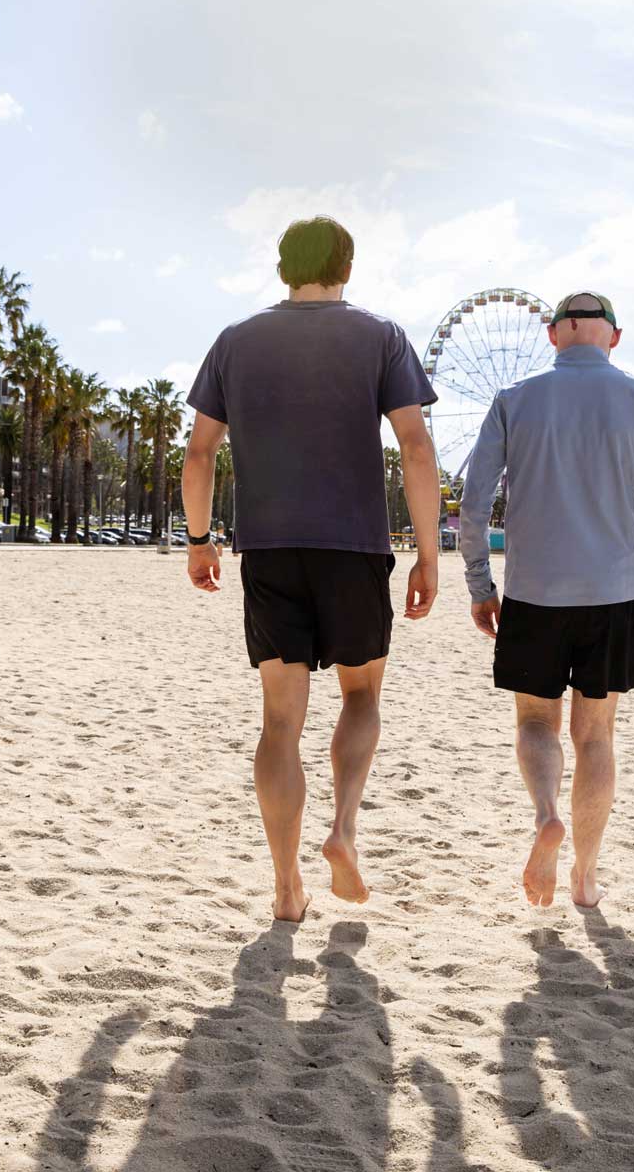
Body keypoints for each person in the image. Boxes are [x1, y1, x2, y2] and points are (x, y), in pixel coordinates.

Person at [182, 215, 441, 922]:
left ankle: (285, 886)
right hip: (354, 548)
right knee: (361, 696)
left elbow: (200, 453)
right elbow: (416, 447)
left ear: (282, 268)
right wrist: (427, 554)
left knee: (279, 724)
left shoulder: (235, 341)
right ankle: (344, 829)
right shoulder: (382, 336)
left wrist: (200, 540)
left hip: (269, 549)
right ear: (346, 268)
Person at [460, 291, 634, 910]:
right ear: (614, 337)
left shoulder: (514, 400)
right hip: (613, 595)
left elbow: (474, 505)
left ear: (554, 334)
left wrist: (481, 585)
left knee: (536, 723)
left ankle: (545, 816)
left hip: (532, 594)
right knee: (595, 737)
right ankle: (585, 878)